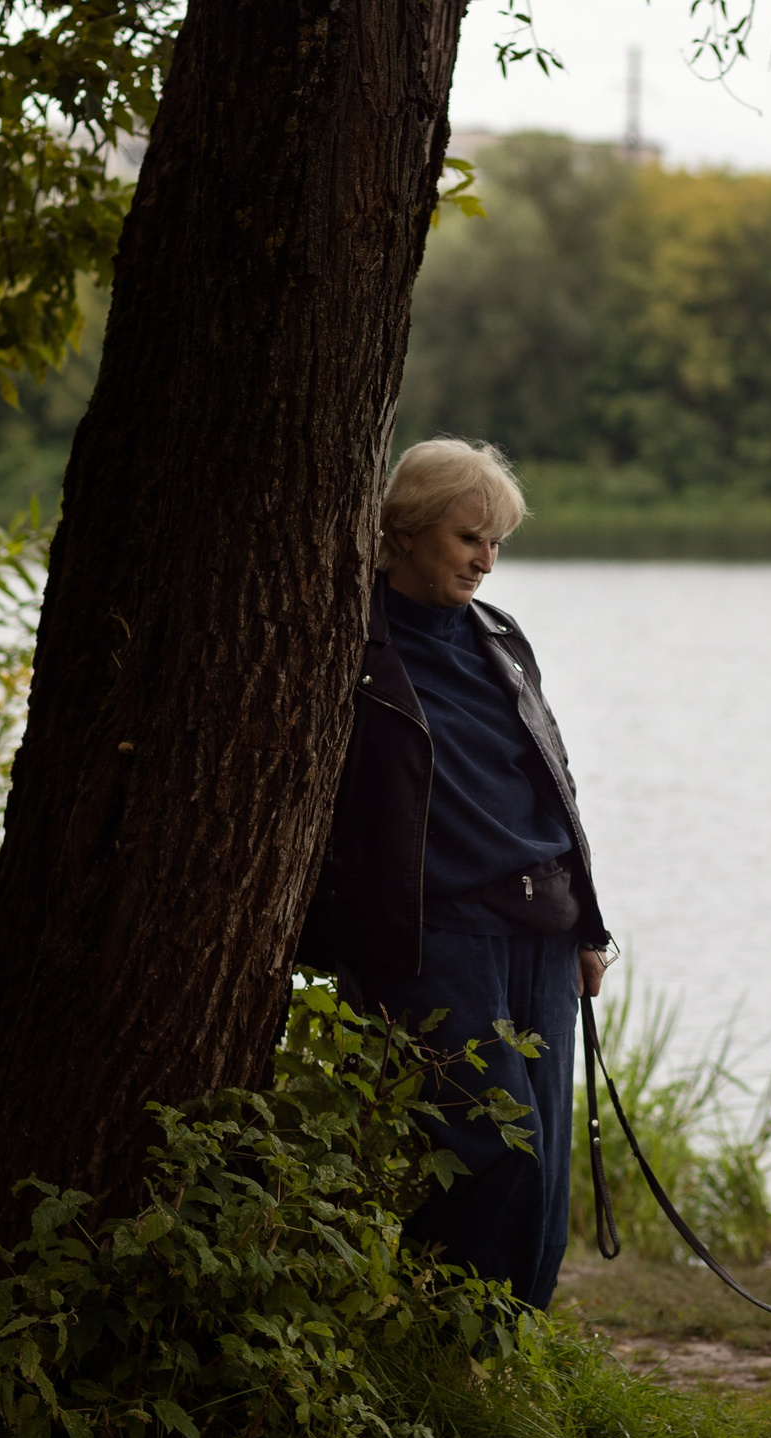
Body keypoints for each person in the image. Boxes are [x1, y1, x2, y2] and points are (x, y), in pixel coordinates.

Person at [297, 438, 611, 1310]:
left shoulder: (501, 638)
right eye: (469, 537)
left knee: (545, 1167)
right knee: (492, 1153)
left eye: (496, 542)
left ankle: (510, 1351)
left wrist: (588, 927)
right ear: (404, 528)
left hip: (543, 928)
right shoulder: (351, 642)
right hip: (431, 932)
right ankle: (447, 1343)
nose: (486, 560)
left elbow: (551, 781)